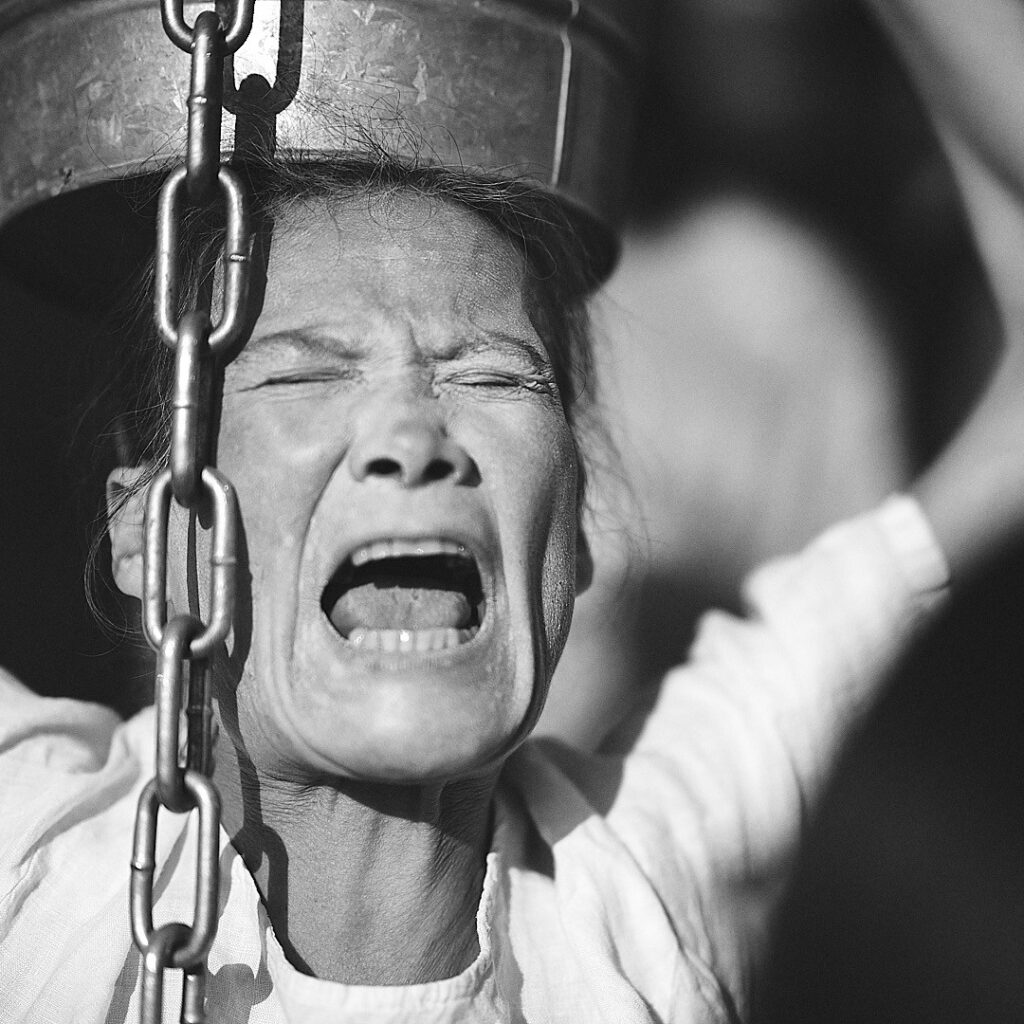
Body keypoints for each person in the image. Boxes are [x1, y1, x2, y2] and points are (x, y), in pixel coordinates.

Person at [2, 2, 1024, 1022]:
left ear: (574, 532)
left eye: (492, 378)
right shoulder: (30, 847)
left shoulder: (653, 876)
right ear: (152, 531)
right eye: (306, 376)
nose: (414, 438)